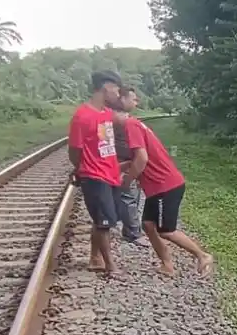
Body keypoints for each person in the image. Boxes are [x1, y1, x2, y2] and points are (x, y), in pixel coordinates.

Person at [115, 102, 215, 276]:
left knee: (166, 231)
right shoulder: (135, 125)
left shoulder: (130, 125)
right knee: (147, 224)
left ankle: (203, 255)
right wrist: (114, 169)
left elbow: (142, 159)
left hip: (165, 186)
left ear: (116, 113)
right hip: (156, 187)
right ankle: (167, 265)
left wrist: (128, 179)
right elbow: (137, 160)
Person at [68, 70, 123, 275]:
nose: (117, 94)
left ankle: (94, 258)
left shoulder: (105, 113)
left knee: (103, 219)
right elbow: (74, 150)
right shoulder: (82, 116)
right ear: (106, 87)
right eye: (116, 89)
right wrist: (81, 169)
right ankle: (110, 265)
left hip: (111, 174)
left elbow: (123, 113)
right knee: (104, 222)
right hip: (94, 175)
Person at [112, 86, 145, 244]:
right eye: (133, 98)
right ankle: (133, 232)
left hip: (128, 161)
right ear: (122, 99)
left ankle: (129, 228)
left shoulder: (120, 117)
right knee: (128, 196)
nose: (136, 101)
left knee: (131, 195)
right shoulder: (118, 118)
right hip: (122, 162)